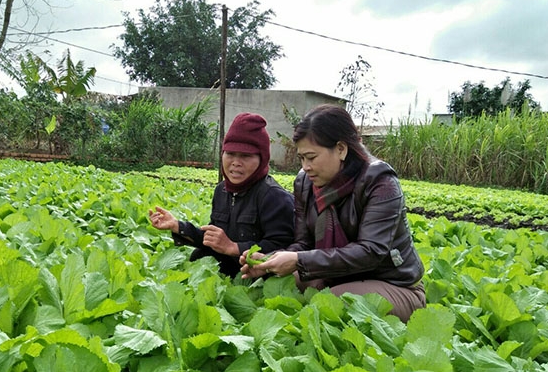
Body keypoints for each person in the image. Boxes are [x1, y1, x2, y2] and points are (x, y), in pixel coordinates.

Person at [240, 104, 425, 322]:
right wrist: (270, 261)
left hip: (393, 283)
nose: (306, 166)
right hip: (335, 275)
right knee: (280, 284)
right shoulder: (305, 183)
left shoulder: (380, 182)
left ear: (341, 149)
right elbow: (302, 244)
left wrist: (298, 261)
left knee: (335, 301)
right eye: (301, 158)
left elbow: (371, 251)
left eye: (312, 157)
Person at [149, 112, 295, 278]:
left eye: (245, 156)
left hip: (255, 279)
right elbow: (215, 239)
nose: (235, 162)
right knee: (197, 258)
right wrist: (178, 226)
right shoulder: (222, 191)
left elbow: (285, 249)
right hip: (227, 274)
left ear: (262, 159)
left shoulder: (274, 197)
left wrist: (234, 247)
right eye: (230, 153)